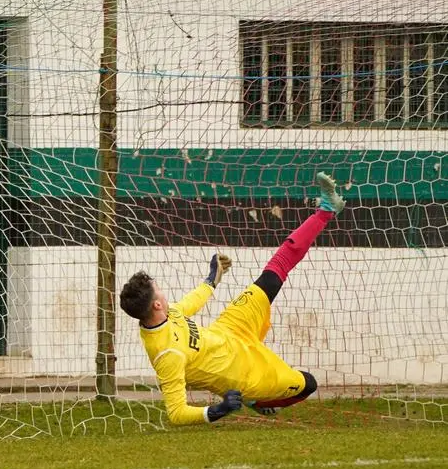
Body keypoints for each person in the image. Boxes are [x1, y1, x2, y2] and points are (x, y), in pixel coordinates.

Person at [119, 172, 345, 426]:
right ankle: (257, 401)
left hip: (230, 329)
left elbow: (189, 303)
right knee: (308, 383)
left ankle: (326, 209)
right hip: (244, 374)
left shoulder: (164, 314)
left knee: (272, 276)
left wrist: (212, 279)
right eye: (158, 289)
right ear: (156, 304)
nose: (162, 291)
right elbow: (176, 413)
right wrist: (218, 410)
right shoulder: (167, 354)